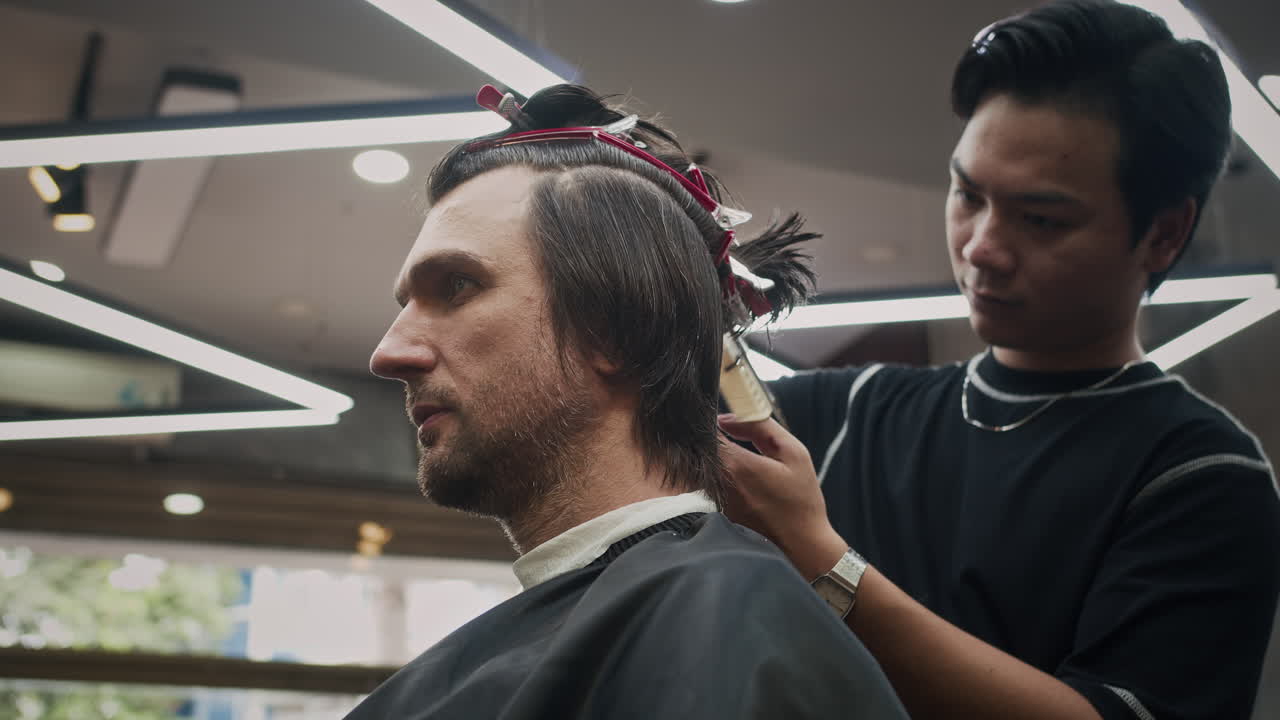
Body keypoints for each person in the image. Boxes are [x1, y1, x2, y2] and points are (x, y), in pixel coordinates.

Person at [719, 1, 1280, 719]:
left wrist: (826, 564)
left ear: (1164, 235)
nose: (981, 245)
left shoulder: (1199, 475)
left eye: (1040, 218)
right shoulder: (844, 414)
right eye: (967, 194)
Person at [348, 84, 908, 719]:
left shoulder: (724, 625)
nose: (388, 353)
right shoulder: (681, 617)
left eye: (456, 286)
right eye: (406, 305)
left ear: (615, 326)